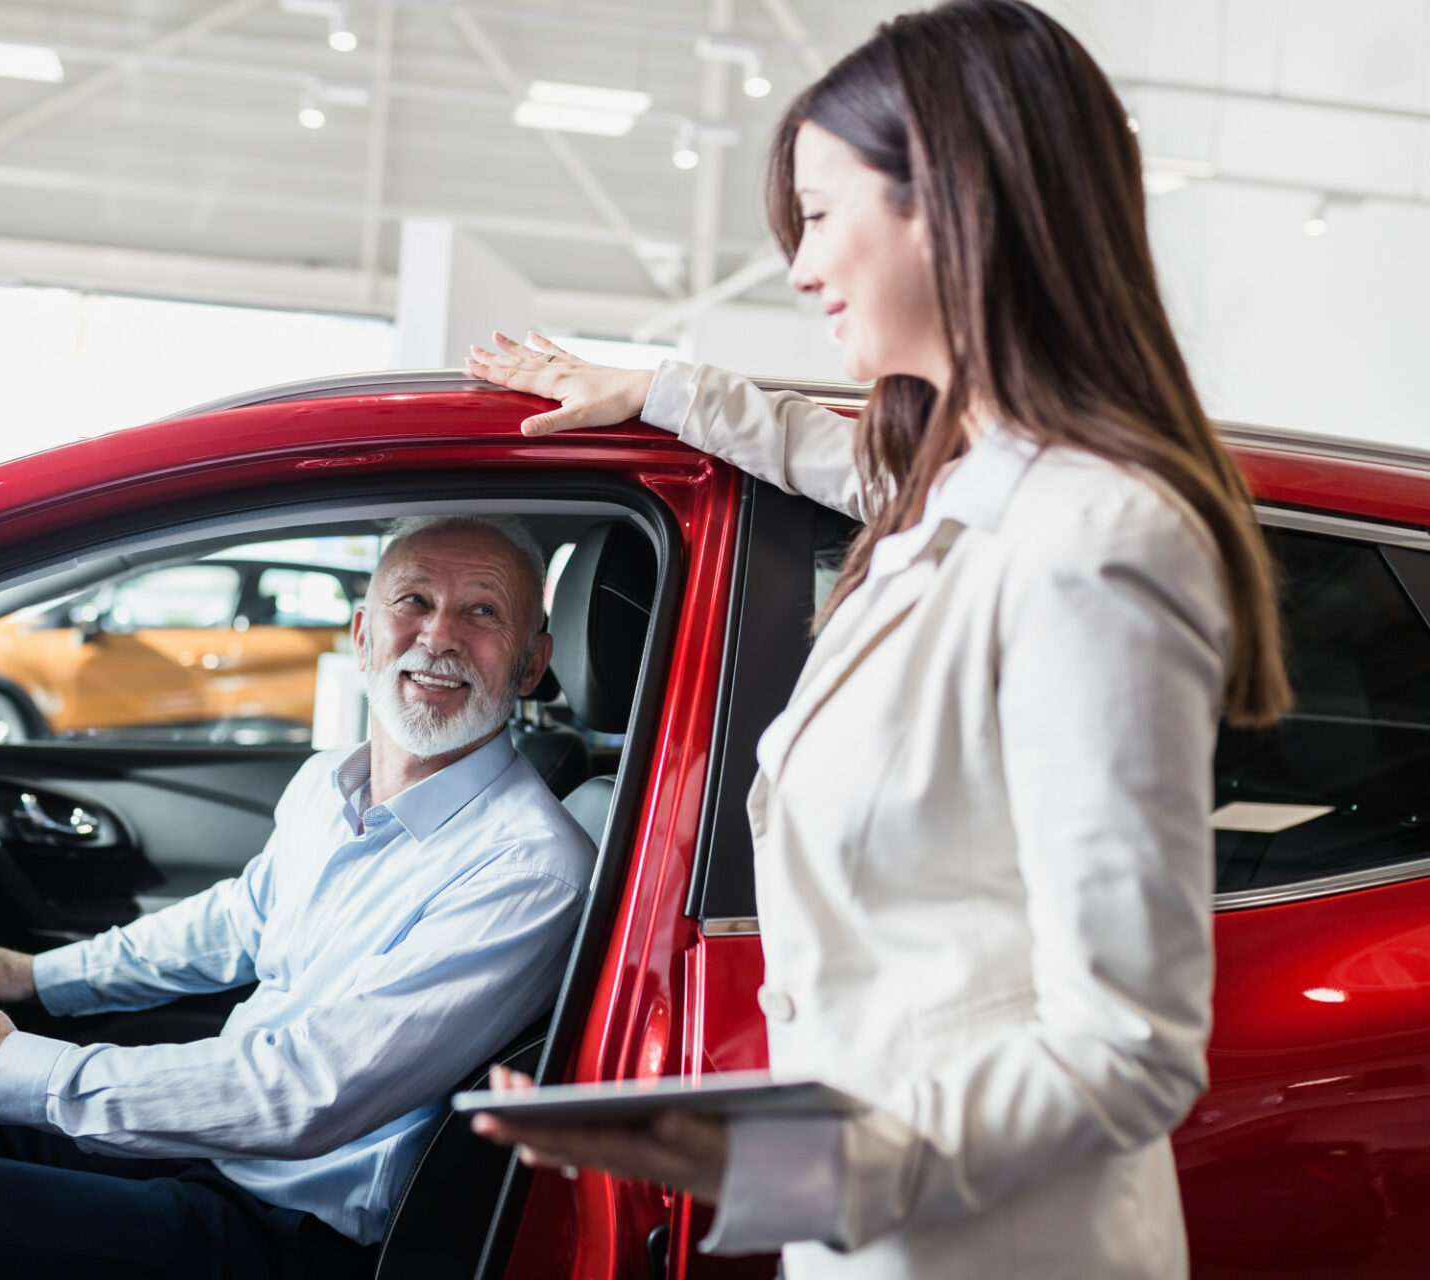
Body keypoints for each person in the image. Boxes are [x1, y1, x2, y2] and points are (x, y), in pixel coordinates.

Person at [462, 3, 1289, 1278]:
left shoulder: (1097, 540)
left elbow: (1129, 1046)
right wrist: (667, 393)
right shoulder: (962, 492)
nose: (797, 267)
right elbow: (851, 456)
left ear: (950, 202)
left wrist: (792, 1163)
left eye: (821, 214)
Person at [0, 514, 597, 1280]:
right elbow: (233, 922)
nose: (440, 636)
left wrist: (11, 1066)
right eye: (415, 601)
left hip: (282, 1235)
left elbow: (309, 1093)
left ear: (529, 664)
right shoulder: (333, 783)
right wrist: (32, 978)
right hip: (217, 1153)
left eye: (483, 612)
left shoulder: (529, 868)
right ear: (362, 633)